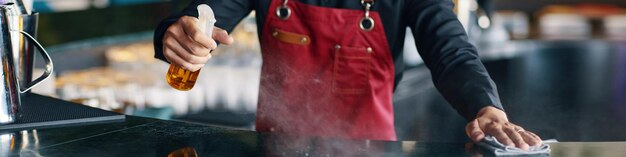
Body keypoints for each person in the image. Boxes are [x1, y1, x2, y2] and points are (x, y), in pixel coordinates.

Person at [154, 0, 542, 150]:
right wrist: (174, 34)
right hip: (278, 148)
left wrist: (486, 105)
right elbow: (199, 16)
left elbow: (451, 50)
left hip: (371, 151)